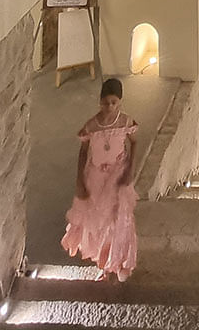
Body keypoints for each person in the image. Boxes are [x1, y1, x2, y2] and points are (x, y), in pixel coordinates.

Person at [61, 77, 139, 282]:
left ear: (120, 102)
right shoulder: (91, 125)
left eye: (114, 102)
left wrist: (130, 168)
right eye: (105, 102)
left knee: (118, 217)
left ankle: (120, 260)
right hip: (95, 175)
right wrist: (79, 180)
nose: (109, 107)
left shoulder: (125, 122)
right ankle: (104, 262)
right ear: (100, 101)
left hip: (118, 173)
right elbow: (83, 152)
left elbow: (134, 143)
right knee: (98, 220)